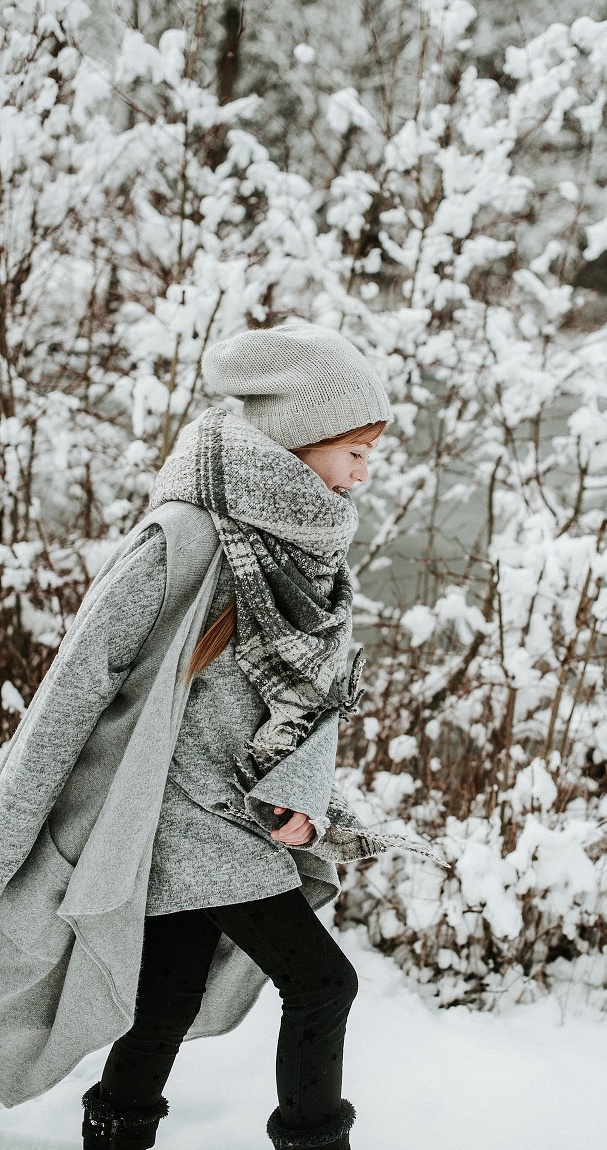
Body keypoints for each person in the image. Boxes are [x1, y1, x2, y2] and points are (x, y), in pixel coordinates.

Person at [0, 320, 426, 1150]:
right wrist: (11, 826)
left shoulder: (313, 557)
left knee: (163, 1007)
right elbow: (74, 687)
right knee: (323, 984)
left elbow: (307, 709)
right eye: (355, 450)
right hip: (174, 824)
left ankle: (115, 1135)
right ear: (298, 440)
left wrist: (302, 799)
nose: (364, 472)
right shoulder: (184, 539)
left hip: (237, 821)